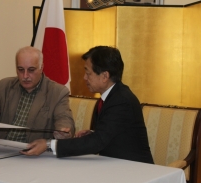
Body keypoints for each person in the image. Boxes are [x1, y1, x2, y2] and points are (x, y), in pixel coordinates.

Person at [20, 46, 154, 164]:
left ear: (104, 76)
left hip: (136, 171)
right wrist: (93, 133)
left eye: (88, 73)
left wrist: (49, 144)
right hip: (113, 166)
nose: (84, 77)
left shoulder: (121, 100)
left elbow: (97, 143)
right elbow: (113, 133)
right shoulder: (109, 97)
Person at [0, 46, 75, 143]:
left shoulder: (57, 92)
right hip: (1, 146)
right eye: (21, 69)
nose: (25, 76)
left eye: (31, 70)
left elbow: (64, 118)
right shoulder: (5, 85)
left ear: (41, 68)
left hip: (33, 150)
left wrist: (63, 130)